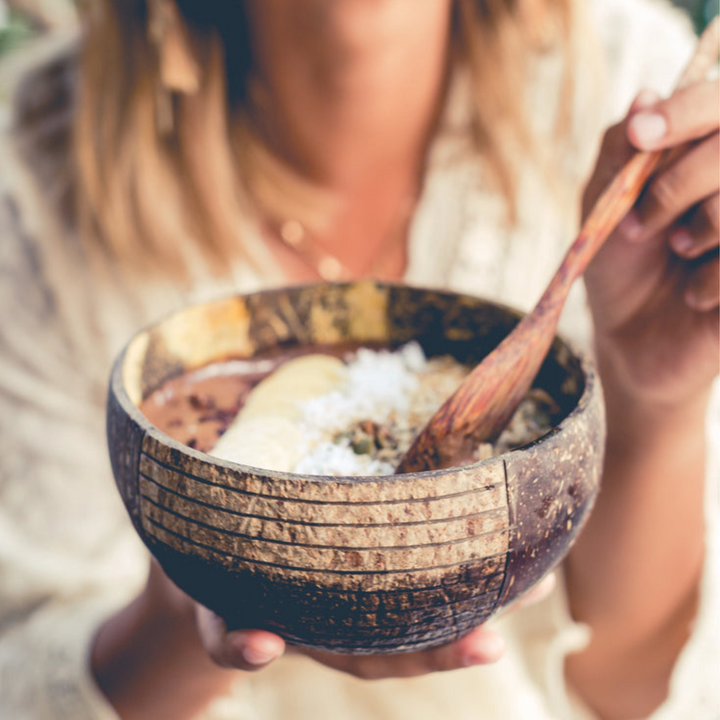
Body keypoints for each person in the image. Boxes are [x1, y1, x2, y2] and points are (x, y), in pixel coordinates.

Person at [0, 0, 717, 718]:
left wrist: (654, 406)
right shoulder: (30, 187)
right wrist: (184, 607)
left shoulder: (636, 94)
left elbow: (630, 690)